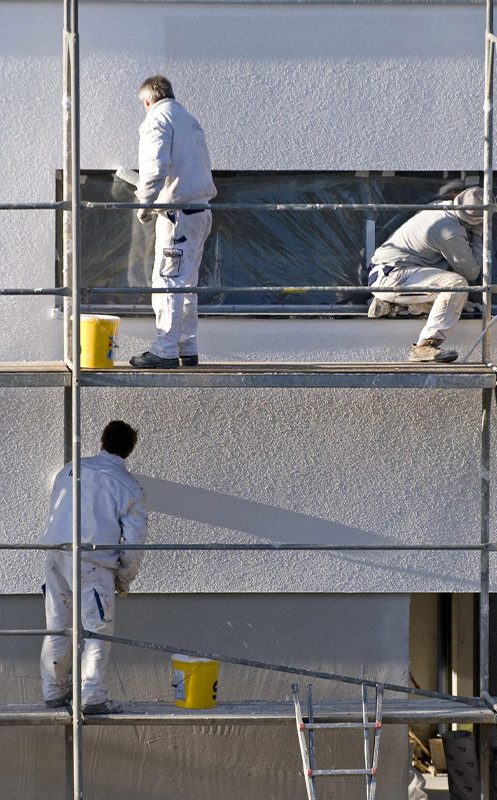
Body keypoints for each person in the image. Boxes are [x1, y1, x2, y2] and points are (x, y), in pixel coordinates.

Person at [40, 421, 148, 714]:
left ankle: (53, 693)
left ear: (102, 442)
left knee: (59, 627)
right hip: (92, 561)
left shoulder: (70, 469)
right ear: (128, 451)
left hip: (55, 554)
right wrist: (123, 578)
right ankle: (92, 699)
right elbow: (135, 542)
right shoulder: (128, 485)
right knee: (98, 631)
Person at [129, 75, 216, 369]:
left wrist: (145, 202)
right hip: (200, 213)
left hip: (177, 216)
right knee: (186, 284)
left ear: (147, 100)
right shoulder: (189, 120)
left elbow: (155, 164)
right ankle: (186, 348)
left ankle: (165, 351)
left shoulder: (157, 119)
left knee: (167, 281)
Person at [367, 186, 484, 363]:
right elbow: (471, 272)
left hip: (390, 270)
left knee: (457, 301)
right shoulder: (448, 231)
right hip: (392, 276)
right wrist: (477, 235)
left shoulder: (441, 206)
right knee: (456, 285)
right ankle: (425, 346)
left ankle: (394, 304)